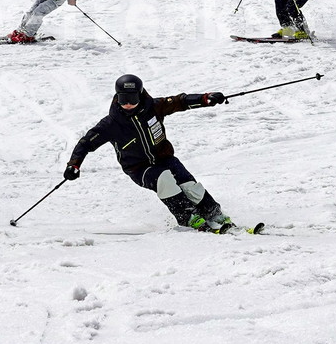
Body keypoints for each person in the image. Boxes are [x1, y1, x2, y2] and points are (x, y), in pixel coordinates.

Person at [63, 74, 233, 232]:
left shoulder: (154, 107)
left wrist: (205, 98)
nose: (128, 104)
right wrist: (74, 165)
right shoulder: (111, 124)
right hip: (138, 168)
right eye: (123, 99)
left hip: (165, 158)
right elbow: (85, 143)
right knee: (165, 179)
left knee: (190, 186)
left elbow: (179, 101)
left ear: (141, 94)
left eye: (132, 98)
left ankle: (215, 214)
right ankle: (188, 218)